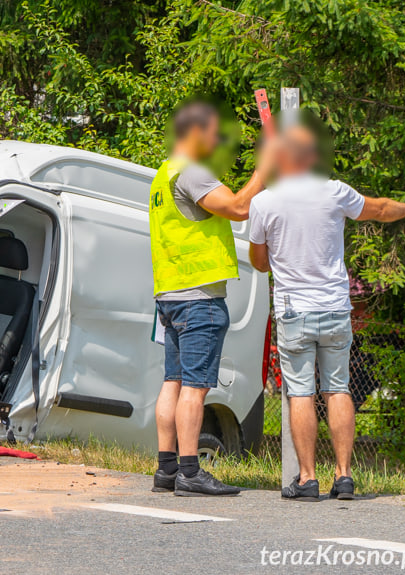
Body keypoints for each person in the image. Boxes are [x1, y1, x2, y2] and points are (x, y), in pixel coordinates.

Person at [248, 124, 405, 501]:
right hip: (334, 307)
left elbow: (260, 263)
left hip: (294, 310)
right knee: (338, 389)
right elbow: (378, 209)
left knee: (300, 392)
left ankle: (307, 479)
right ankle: (344, 476)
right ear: (311, 157)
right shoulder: (335, 192)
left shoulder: (264, 202)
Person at [150, 101, 274, 496]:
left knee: (172, 381)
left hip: (170, 295)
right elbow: (238, 207)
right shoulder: (192, 172)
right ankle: (190, 471)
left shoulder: (162, 175)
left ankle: (166, 469)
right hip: (198, 298)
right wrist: (264, 171)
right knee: (195, 387)